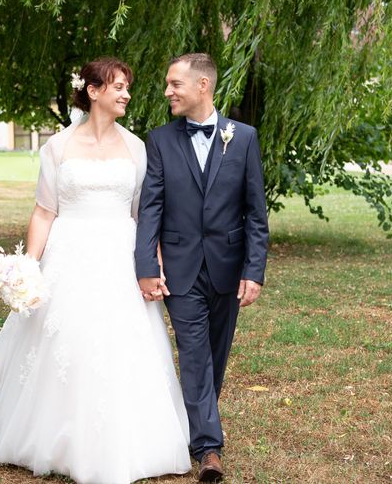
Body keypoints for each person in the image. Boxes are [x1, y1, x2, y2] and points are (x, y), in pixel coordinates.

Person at [0, 58, 191, 484]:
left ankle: (127, 435)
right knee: (66, 334)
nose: (126, 94)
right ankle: (52, 429)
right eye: (119, 87)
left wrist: (152, 260)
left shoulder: (137, 148)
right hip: (69, 251)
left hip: (119, 252)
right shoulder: (58, 147)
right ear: (93, 91)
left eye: (128, 87)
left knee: (121, 339)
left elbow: (144, 214)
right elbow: (44, 211)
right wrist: (29, 266)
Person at [135, 53, 269, 482]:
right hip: (179, 266)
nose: (168, 91)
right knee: (193, 354)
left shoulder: (242, 137)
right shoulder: (159, 140)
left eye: (175, 84)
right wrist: (145, 265)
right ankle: (209, 448)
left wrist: (254, 270)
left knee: (215, 354)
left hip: (229, 267)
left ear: (202, 87)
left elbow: (255, 212)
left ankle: (196, 420)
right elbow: (151, 208)